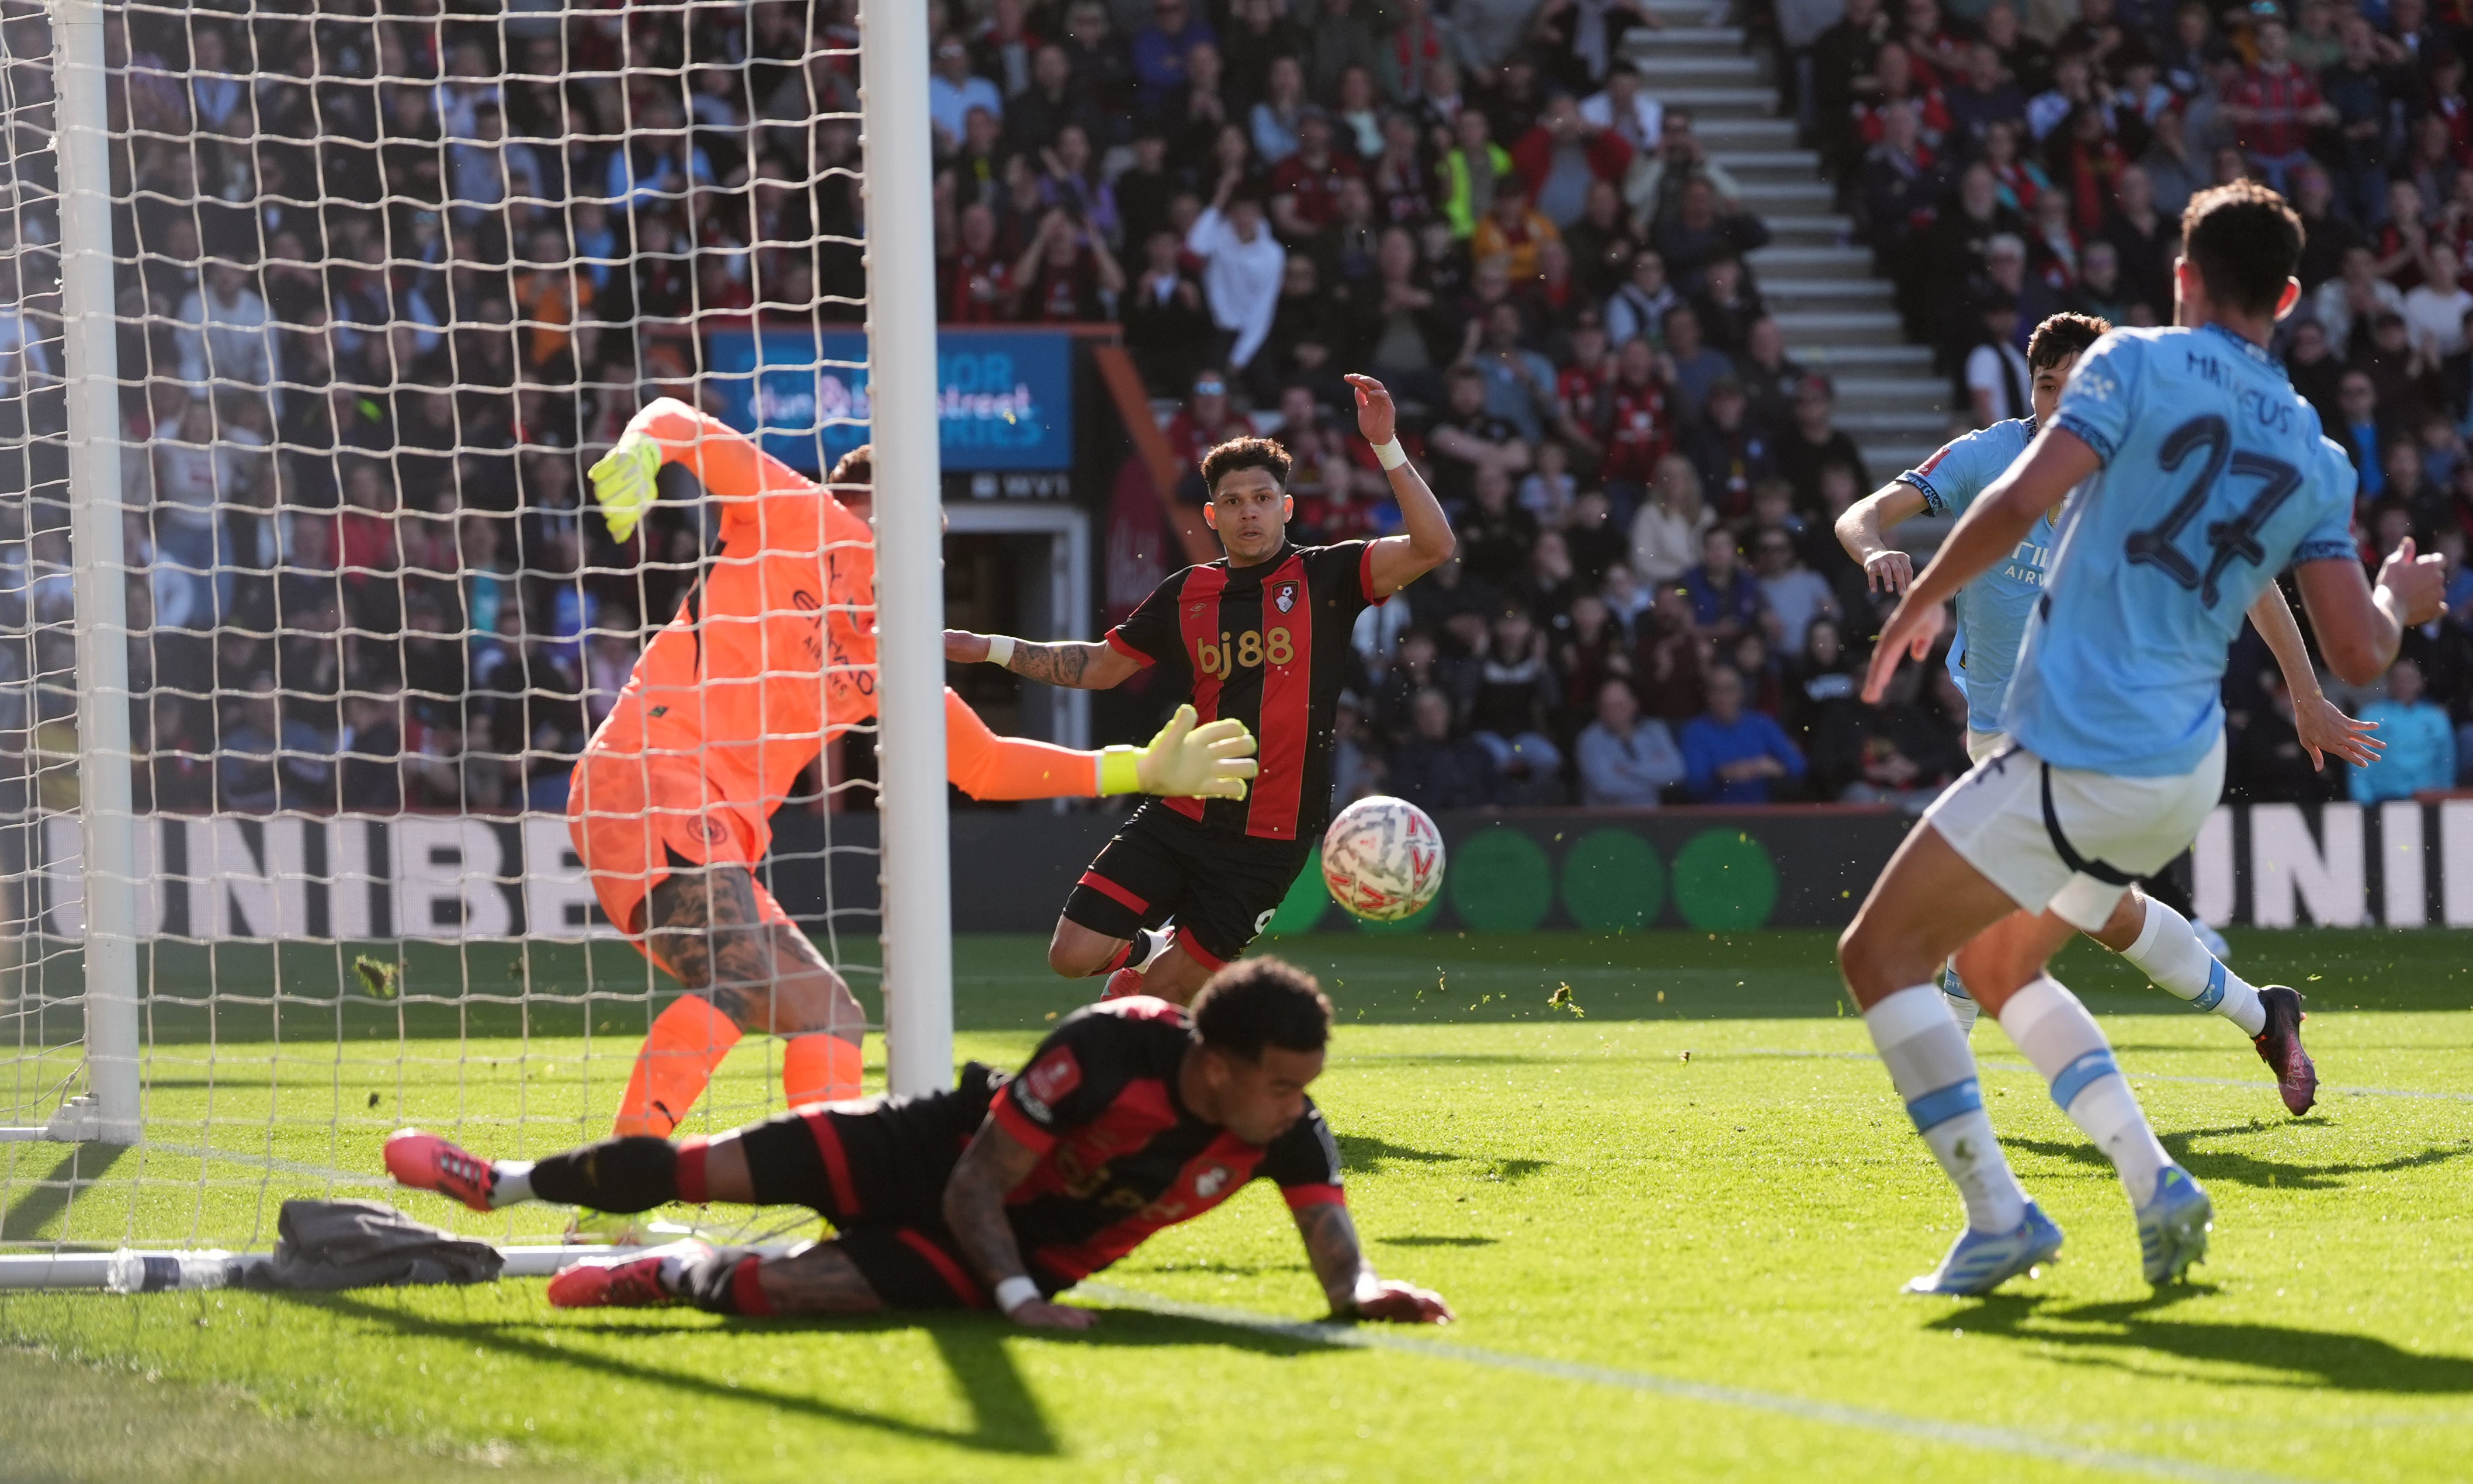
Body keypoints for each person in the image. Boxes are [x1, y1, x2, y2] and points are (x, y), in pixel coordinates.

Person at [1843, 182, 2447, 1298]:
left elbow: (2025, 500)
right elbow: (2362, 650)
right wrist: (2400, 598)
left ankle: (1999, 1217)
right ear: (2289, 296)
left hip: (2078, 740)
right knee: (1994, 962)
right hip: (2182, 764)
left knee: (1877, 957)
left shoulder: (2128, 366)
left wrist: (1922, 595)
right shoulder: (2315, 451)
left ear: (2181, 278)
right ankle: (2155, 1183)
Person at [572, 401, 1262, 1138]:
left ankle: (826, 1199)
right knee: (749, 985)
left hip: (704, 829)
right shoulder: (800, 514)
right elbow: (684, 421)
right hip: (650, 777)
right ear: (874, 505)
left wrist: (1139, 770)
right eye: (926, 532)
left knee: (827, 1014)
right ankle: (619, 1182)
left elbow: (987, 765)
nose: (933, 558)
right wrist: (642, 452)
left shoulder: (886, 646)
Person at [1836, 308, 2369, 1102]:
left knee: (1974, 884)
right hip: (1996, 734)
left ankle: (1950, 1091)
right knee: (2101, 912)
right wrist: (1878, 545)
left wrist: (2306, 694)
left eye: (2077, 387)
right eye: (2047, 387)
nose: (2060, 403)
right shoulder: (1993, 455)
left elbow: (2252, 581)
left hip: (2084, 737)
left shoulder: (2145, 476)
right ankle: (2265, 1013)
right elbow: (1862, 513)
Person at [386, 959, 1452, 1328]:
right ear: (1215, 1064)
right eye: (1278, 1085)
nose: (1294, 1109)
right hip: (935, 1157)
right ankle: (506, 1184)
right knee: (709, 1165)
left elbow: (1332, 1247)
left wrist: (1360, 1292)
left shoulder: (1283, 1130)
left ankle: (663, 1277)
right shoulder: (1104, 1053)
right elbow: (977, 1183)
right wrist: (1016, 1306)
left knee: (782, 1297)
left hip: (1019, 1249)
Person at [949, 375, 1455, 1004]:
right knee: (1071, 957)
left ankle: (1148, 1007)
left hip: (1269, 844)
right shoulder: (1186, 593)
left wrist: (1386, 448)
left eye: (1263, 498)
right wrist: (990, 648)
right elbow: (1102, 665)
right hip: (1183, 811)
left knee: (1146, 1006)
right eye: (1235, 500)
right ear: (1211, 514)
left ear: (1286, 508)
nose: (1249, 511)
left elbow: (1435, 545)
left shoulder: (1329, 575)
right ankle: (1149, 944)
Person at [1680, 663, 1803, 803]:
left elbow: (1798, 765)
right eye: (1715, 690)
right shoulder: (1695, 731)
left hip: (1761, 815)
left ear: (1740, 692)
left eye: (1729, 689)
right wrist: (1724, 775)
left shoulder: (1762, 724)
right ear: (1707, 695)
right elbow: (1693, 783)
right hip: (1713, 818)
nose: (1722, 697)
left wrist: (1774, 768)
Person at [2349, 658, 2455, 802]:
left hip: (2427, 800)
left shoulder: (2436, 718)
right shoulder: (2370, 716)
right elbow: (2358, 760)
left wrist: (2445, 798)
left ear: (2421, 683)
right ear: (2389, 682)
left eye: (2410, 679)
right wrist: (2363, 801)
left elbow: (2446, 763)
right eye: (2398, 679)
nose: (2404, 684)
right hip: (2383, 800)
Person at [1576, 677, 1683, 805]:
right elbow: (1605, 785)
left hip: (1651, 816)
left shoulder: (1655, 730)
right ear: (1599, 709)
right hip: (1607, 820)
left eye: (1620, 705)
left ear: (1634, 704)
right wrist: (1656, 782)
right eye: (1608, 707)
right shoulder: (1589, 740)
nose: (1614, 712)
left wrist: (1629, 769)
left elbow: (1677, 771)